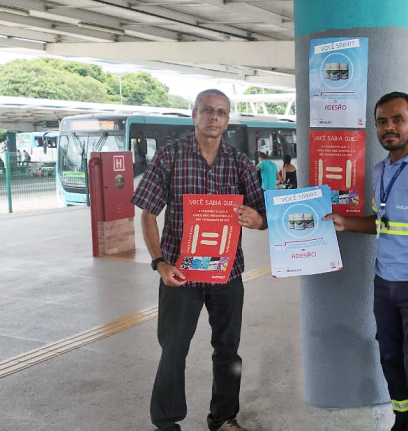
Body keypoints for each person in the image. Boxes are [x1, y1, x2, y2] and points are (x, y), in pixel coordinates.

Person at [131, 89, 267, 431]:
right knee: (173, 350)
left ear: (227, 120)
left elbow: (264, 214)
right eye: (207, 110)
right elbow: (147, 214)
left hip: (228, 275)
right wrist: (160, 263)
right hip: (180, 274)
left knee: (228, 352)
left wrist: (257, 220)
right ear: (194, 115)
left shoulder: (240, 163)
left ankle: (223, 418)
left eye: (221, 112)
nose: (214, 118)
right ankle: (166, 422)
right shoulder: (170, 157)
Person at [325, 92, 408, 431]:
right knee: (390, 358)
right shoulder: (382, 169)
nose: (389, 127)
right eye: (382, 121)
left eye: (397, 119)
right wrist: (346, 222)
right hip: (384, 284)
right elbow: (382, 222)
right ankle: (403, 421)